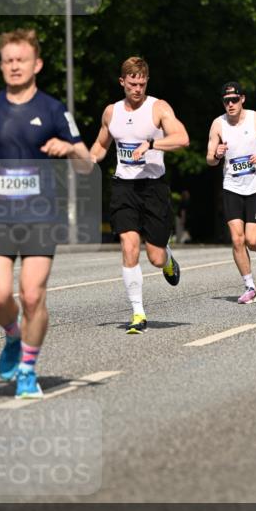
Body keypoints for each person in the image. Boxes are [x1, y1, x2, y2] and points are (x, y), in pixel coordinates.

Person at [0, 28, 92, 398]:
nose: (14, 66)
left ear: (37, 64)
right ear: (1, 66)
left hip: (40, 215)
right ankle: (13, 336)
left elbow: (87, 164)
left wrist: (68, 149)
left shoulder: (53, 110)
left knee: (32, 296)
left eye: (21, 60)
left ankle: (28, 370)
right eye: (8, 61)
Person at [90, 57, 189, 334]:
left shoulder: (158, 107)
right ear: (122, 82)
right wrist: (89, 160)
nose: (137, 89)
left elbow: (182, 138)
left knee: (155, 258)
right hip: (124, 187)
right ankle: (138, 312)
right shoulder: (111, 112)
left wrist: (153, 144)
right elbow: (100, 144)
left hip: (153, 187)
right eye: (132, 84)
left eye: (142, 84)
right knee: (129, 246)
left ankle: (167, 259)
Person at [206, 81, 256, 303]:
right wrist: (217, 154)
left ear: (242, 99)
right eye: (226, 101)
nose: (230, 104)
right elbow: (209, 159)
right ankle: (249, 286)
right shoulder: (218, 124)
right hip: (232, 186)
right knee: (237, 239)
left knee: (251, 239)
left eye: (234, 100)